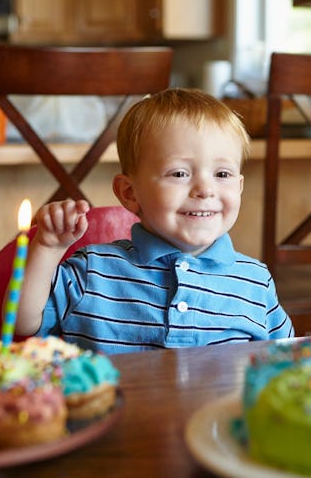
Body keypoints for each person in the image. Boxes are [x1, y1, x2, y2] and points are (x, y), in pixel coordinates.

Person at [16, 88, 294, 354]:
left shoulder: (255, 281)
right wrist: (48, 249)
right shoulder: (93, 271)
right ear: (130, 193)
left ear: (240, 185)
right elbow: (22, 322)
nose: (205, 189)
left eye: (222, 174)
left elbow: (290, 358)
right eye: (179, 174)